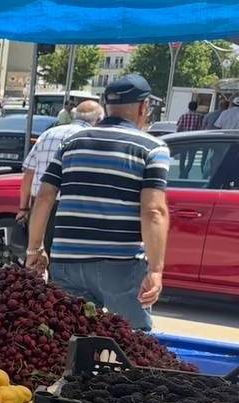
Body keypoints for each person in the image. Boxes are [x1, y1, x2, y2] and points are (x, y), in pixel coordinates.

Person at [25, 74, 170, 331]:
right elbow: (154, 210)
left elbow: (45, 196)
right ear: (143, 107)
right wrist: (156, 270)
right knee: (131, 342)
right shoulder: (152, 148)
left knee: (69, 338)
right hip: (121, 265)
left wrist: (34, 249)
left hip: (67, 262)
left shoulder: (71, 143)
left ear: (107, 105)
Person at [16, 100, 105, 252]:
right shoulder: (93, 139)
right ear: (98, 120)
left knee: (36, 257)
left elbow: (29, 174)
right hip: (71, 210)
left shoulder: (48, 134)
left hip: (39, 206)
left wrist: (23, 208)